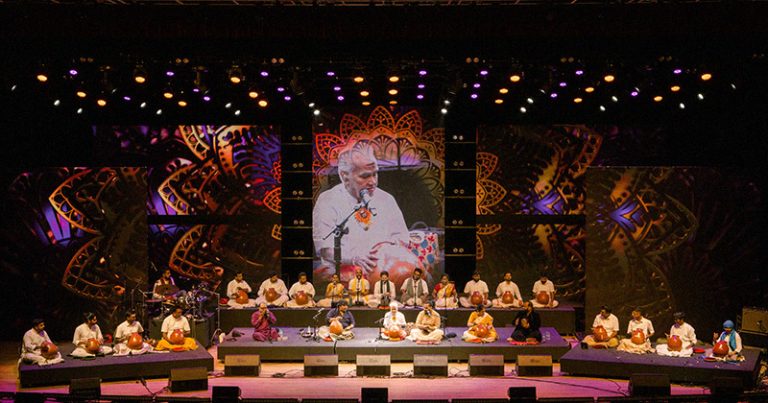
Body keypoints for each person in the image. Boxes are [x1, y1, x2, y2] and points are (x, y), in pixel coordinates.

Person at [312, 141, 415, 282]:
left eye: (375, 174)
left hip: (385, 270)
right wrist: (354, 258)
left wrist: (385, 247)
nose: (373, 181)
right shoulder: (328, 200)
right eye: (365, 176)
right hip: (343, 274)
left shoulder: (386, 199)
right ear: (344, 176)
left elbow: (402, 239)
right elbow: (325, 249)